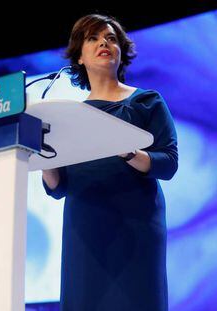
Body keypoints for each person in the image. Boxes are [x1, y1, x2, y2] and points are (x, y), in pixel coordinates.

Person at [42, 14, 178, 310]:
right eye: (93, 38)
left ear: (121, 53)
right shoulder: (68, 116)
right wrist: (44, 156)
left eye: (111, 38)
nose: (104, 42)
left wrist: (127, 149)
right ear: (79, 56)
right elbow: (57, 186)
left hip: (136, 225)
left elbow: (168, 163)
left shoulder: (147, 102)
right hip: (85, 229)